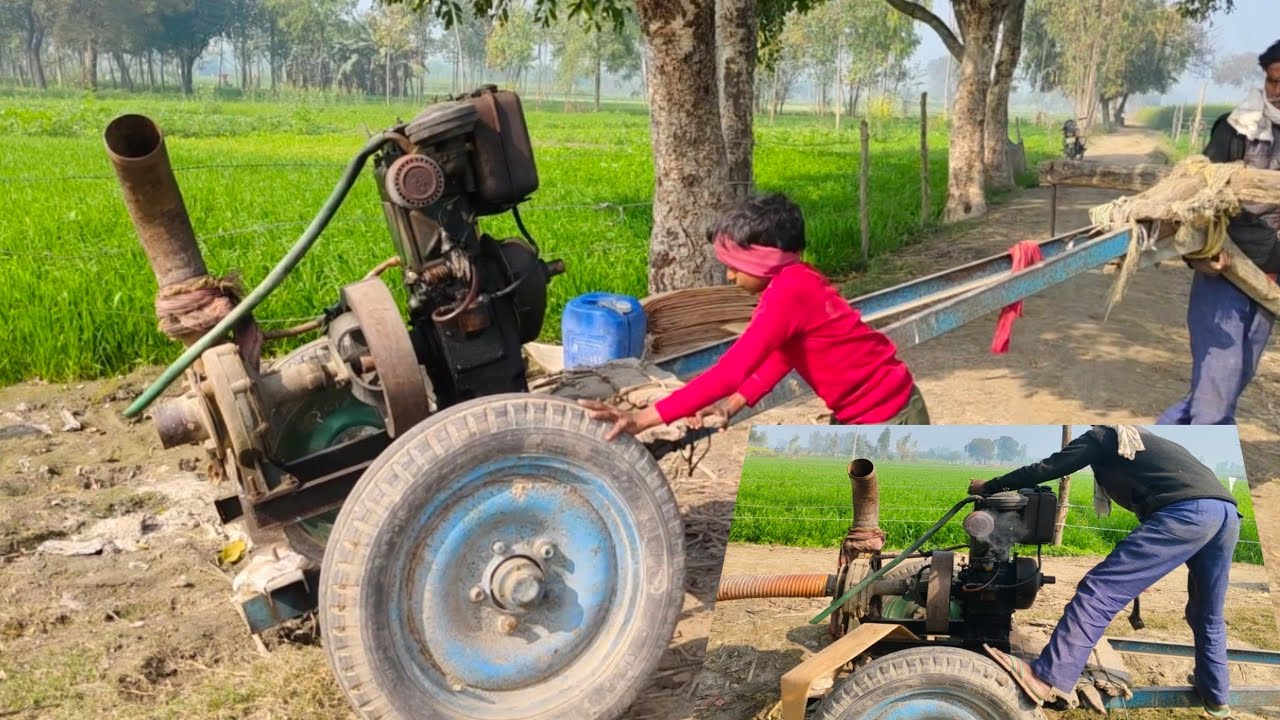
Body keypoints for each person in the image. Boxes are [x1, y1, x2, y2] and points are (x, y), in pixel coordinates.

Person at [578, 193, 928, 441]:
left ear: (763, 262)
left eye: (735, 266)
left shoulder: (788, 293)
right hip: (868, 414)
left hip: (889, 419)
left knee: (893, 520)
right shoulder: (796, 281)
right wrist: (731, 406)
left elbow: (731, 371)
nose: (729, 276)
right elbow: (783, 356)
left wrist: (642, 419)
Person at [970, 426, 1240, 718]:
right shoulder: (1148, 441)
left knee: (1099, 590)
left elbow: (1048, 467)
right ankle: (1216, 694)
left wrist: (991, 486)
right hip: (1225, 515)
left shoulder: (1104, 436)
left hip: (1186, 512)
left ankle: (1044, 677)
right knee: (1207, 612)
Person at [1158, 39, 1280, 425]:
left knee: (1233, 379)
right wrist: (1202, 256)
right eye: (1273, 81)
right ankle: (1196, 461)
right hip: (1226, 270)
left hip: (1270, 279)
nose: (1278, 90)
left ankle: (1151, 446)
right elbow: (1198, 197)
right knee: (1217, 388)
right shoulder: (1235, 129)